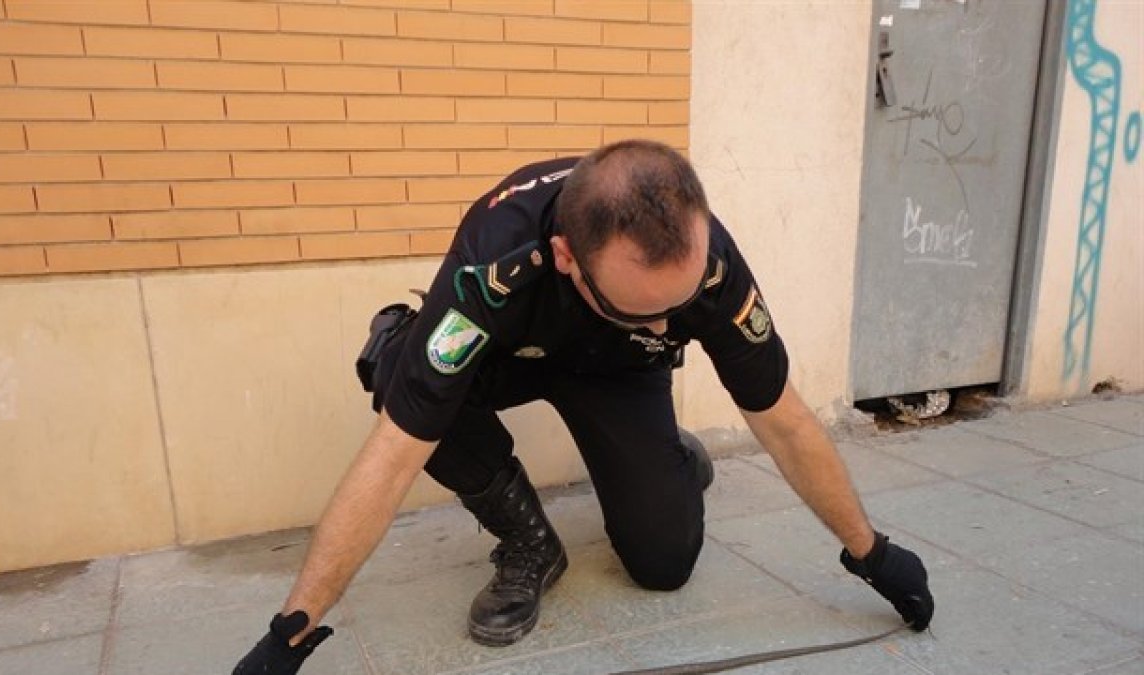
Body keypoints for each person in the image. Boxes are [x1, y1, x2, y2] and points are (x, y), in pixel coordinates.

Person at [233, 140, 934, 674]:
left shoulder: (708, 260)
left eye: (679, 307)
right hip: (510, 356)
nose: (669, 328)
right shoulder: (493, 261)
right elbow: (393, 457)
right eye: (646, 309)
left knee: (664, 564)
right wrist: (290, 631)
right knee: (401, 374)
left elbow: (782, 418)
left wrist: (872, 553)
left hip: (619, 373)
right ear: (567, 257)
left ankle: (674, 463)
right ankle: (531, 545)